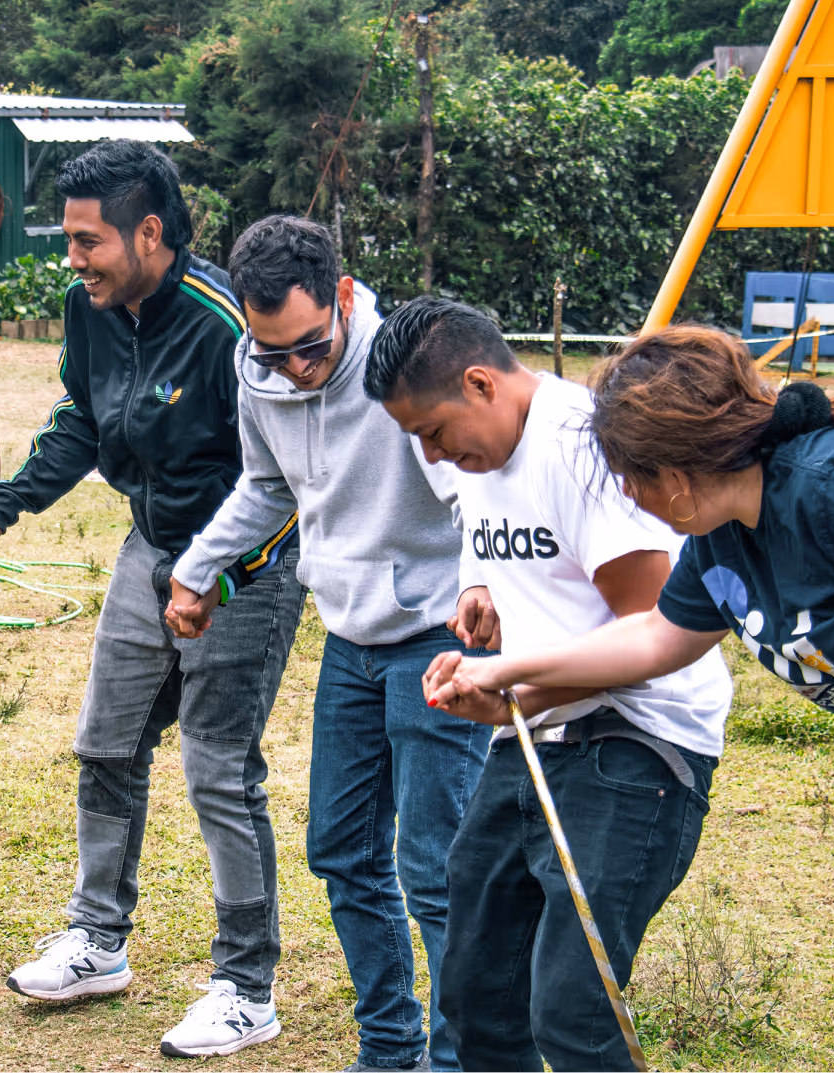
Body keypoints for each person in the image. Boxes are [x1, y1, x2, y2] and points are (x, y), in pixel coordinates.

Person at [422, 324, 834, 1071]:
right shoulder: (722, 539)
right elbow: (654, 639)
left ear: (676, 465)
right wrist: (509, 680)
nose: (627, 496)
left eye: (629, 476)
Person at [0, 139, 308, 1061]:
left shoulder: (232, 324)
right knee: (104, 746)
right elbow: (79, 416)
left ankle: (244, 986)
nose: (73, 260)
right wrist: (1, 510)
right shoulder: (89, 308)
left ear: (149, 232)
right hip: (147, 549)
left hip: (244, 569)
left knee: (218, 770)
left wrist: (218, 577)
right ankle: (97, 941)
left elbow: (292, 479)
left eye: (86, 241)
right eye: (67, 241)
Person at [365, 299, 733, 1072]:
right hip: (537, 732)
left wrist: (513, 679)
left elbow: (657, 629)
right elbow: (505, 546)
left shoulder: (576, 442)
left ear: (479, 384)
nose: (431, 457)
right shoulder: (481, 453)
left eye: (432, 433)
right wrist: (481, 596)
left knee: (572, 1009)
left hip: (637, 738)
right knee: (474, 991)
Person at [163, 218, 488, 1073]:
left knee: (434, 866)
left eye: (308, 348)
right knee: (341, 852)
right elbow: (266, 484)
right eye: (270, 352)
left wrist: (481, 589)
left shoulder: (401, 370)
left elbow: (471, 488)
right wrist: (198, 570)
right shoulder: (258, 369)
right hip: (347, 638)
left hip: (433, 636)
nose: (293, 371)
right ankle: (389, 1049)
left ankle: (460, 1058)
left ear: (343, 296)